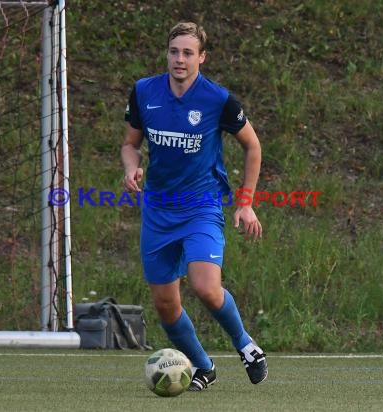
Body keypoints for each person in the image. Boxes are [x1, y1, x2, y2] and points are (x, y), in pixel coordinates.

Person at [121, 21, 267, 391]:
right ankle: (203, 367)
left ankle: (247, 346)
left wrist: (245, 203)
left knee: (205, 287)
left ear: (201, 57)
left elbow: (252, 146)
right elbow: (130, 144)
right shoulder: (144, 92)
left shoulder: (217, 99)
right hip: (157, 210)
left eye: (188, 53)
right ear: (167, 54)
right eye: (174, 51)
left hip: (201, 206)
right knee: (166, 306)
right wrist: (132, 167)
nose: (179, 59)